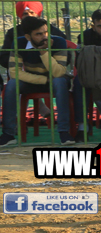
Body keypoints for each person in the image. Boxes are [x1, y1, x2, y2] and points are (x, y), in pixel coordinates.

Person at [0, 16, 74, 146]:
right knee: (11, 84)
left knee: (60, 82)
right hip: (35, 81)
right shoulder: (19, 43)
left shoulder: (58, 42)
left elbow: (58, 73)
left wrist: (44, 52)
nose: (44, 37)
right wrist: (44, 80)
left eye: (46, 32)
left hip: (55, 80)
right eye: (39, 34)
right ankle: (8, 134)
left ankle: (64, 132)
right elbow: (14, 72)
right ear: (28, 37)